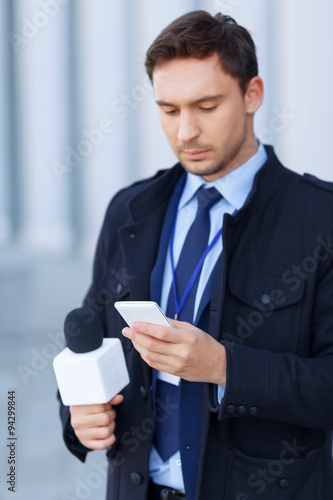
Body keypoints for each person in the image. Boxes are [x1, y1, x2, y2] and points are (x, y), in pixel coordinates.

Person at [59, 10, 333, 500]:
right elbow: (92, 343)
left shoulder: (321, 219)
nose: (185, 132)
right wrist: (77, 412)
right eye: (169, 110)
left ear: (253, 95)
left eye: (206, 106)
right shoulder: (129, 210)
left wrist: (227, 367)